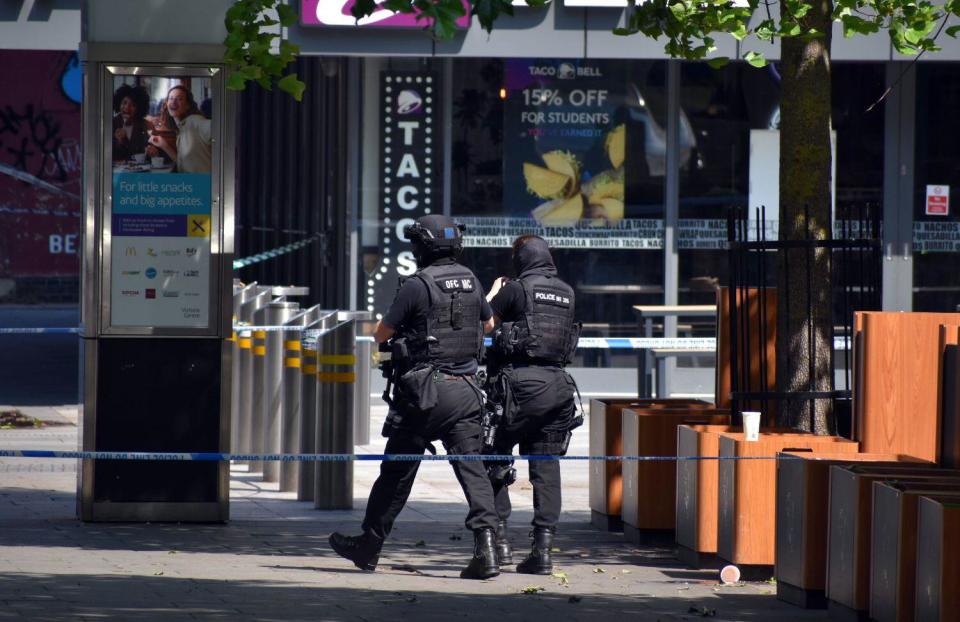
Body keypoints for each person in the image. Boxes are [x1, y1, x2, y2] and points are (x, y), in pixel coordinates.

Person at [329, 215, 502, 580]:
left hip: (424, 394)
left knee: (396, 473)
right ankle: (486, 550)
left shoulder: (417, 284)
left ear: (422, 247)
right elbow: (488, 324)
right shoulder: (471, 279)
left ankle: (369, 545)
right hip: (468, 390)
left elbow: (380, 335)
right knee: (474, 472)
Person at [483, 234, 582, 575]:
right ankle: (543, 550)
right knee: (546, 468)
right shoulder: (567, 292)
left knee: (494, 459)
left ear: (521, 259)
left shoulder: (516, 289)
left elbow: (485, 323)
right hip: (557, 388)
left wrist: (493, 295)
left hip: (515, 387)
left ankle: (500, 543)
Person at [147, 84, 211, 173]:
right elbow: (182, 164)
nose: (173, 102)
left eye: (179, 99)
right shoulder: (181, 128)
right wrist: (164, 145)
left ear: (187, 105)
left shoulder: (195, 121)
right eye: (171, 98)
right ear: (167, 103)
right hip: (189, 184)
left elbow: (219, 131)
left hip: (203, 184)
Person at [111, 84, 151, 163]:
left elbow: (149, 153)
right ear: (118, 103)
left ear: (139, 108)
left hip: (140, 171)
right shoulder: (111, 124)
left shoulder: (145, 125)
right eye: (124, 103)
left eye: (133, 105)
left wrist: (152, 151)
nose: (127, 107)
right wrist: (119, 141)